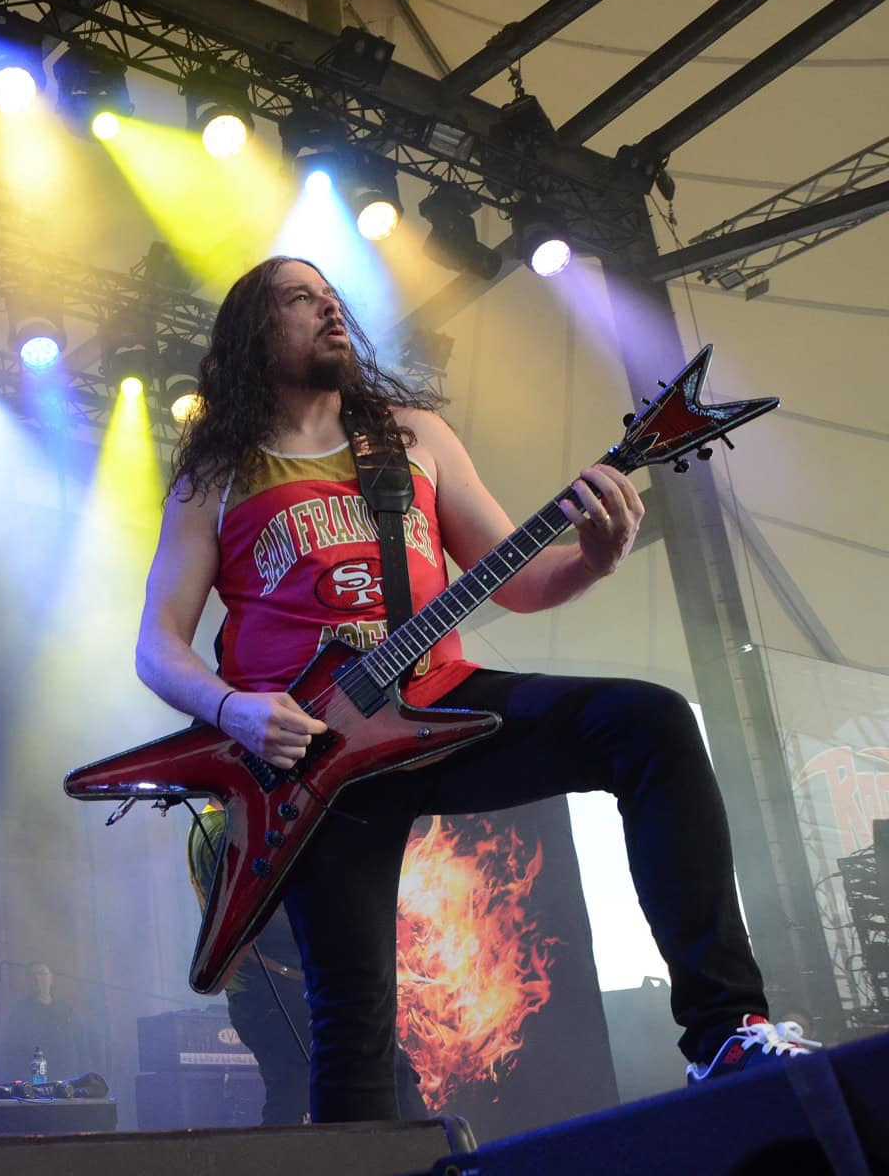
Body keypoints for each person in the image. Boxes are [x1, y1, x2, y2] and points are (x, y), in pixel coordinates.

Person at [135, 255, 815, 1123]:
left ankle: (723, 1032)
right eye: (301, 299)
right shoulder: (217, 475)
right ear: (252, 334)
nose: (330, 310)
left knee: (650, 723)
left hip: (443, 704)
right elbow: (158, 647)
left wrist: (594, 559)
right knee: (353, 1024)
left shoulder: (412, 437)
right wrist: (234, 709)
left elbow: (517, 580)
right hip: (310, 765)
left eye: (333, 297)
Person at [184, 805, 424, 1124]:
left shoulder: (223, 826)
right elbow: (265, 919)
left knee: (375, 1081)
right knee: (299, 1097)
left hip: (281, 995)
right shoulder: (221, 831)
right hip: (275, 999)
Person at [2, 962, 89, 1083]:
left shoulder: (66, 1010)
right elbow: (13, 1051)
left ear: (51, 978)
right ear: (28, 981)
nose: (38, 978)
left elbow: (81, 1044)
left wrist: (83, 1077)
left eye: (42, 973)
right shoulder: (20, 1012)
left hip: (68, 1079)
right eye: (33, 975)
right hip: (37, 1082)